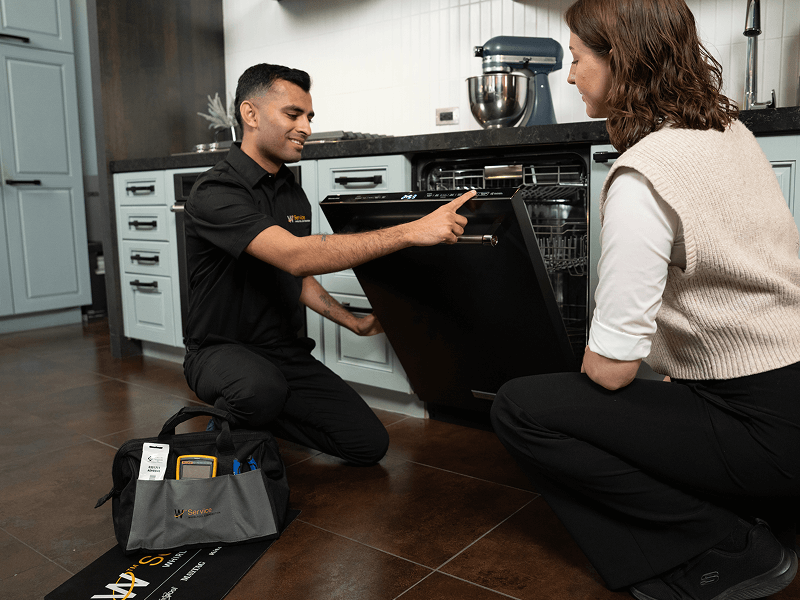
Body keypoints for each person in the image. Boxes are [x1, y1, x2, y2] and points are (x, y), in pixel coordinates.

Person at [490, 1, 800, 599]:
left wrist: (601, 366)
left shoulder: (642, 175)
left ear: (620, 62)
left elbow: (609, 372)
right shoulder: (728, 131)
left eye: (577, 60)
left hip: (765, 431)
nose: (571, 75)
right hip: (790, 400)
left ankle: (725, 547)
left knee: (521, 407)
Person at [183, 63, 473, 466]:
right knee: (255, 390)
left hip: (283, 355)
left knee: (367, 444)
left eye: (309, 117)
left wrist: (353, 321)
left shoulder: (290, 192)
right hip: (220, 352)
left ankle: (257, 419)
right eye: (293, 114)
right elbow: (295, 255)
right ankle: (236, 418)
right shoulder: (217, 190)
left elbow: (296, 274)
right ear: (250, 115)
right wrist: (410, 231)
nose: (306, 127)